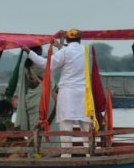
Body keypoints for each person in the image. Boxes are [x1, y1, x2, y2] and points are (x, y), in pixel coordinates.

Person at [23, 29, 88, 157]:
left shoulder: (65, 51)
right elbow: (69, 53)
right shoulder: (85, 50)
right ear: (79, 40)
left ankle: (66, 155)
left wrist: (29, 52)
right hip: (83, 93)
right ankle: (89, 154)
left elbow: (46, 64)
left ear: (68, 40)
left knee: (66, 124)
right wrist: (60, 45)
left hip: (67, 93)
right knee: (85, 124)